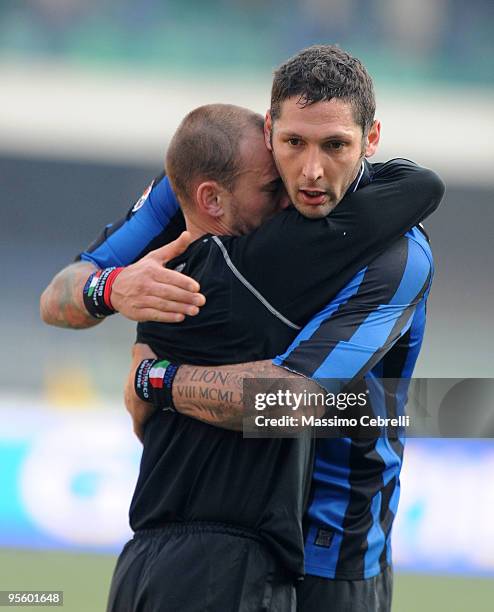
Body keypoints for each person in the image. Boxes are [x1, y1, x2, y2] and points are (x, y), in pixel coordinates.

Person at [40, 46, 444, 611]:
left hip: (336, 548)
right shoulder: (221, 186)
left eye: (336, 146)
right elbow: (58, 297)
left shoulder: (398, 255)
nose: (309, 171)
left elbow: (292, 403)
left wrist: (155, 379)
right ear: (269, 129)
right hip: (233, 534)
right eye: (294, 142)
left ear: (370, 140)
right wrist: (110, 289)